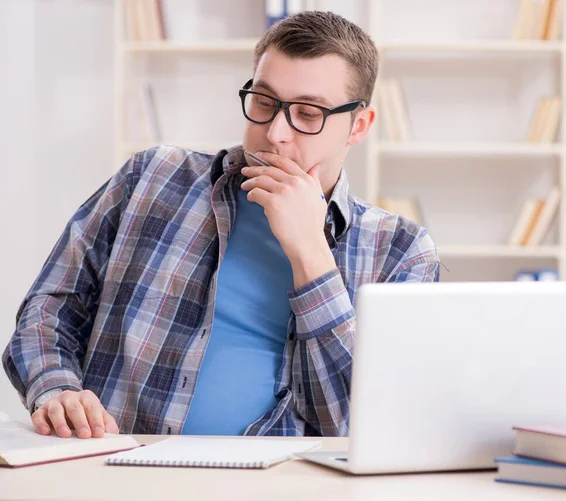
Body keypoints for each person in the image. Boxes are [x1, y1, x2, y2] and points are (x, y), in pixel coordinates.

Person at [3, 11, 439, 439]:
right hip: (118, 464)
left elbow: (357, 425)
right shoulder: (151, 177)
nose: (275, 133)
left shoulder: (401, 250)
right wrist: (56, 389)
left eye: (308, 114)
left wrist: (311, 251)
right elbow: (50, 308)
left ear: (358, 126)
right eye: (264, 103)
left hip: (288, 485)